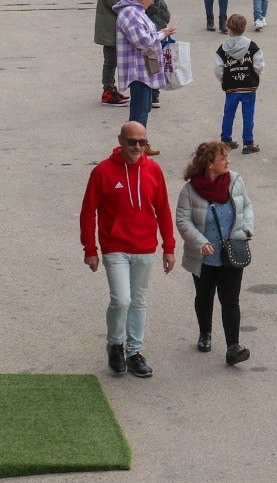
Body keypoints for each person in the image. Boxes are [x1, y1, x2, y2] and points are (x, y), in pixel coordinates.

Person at [79, 121, 176, 379]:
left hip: (145, 247)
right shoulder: (102, 171)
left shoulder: (153, 170)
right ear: (121, 140)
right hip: (115, 247)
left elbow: (163, 209)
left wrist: (169, 247)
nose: (137, 147)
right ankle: (115, 344)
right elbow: (88, 211)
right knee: (122, 299)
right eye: (132, 142)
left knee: (138, 300)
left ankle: (134, 352)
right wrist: (90, 248)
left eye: (143, 142)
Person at [175, 140, 254, 366]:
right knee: (204, 296)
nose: (228, 162)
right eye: (223, 159)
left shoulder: (235, 182)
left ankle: (233, 346)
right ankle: (205, 333)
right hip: (204, 258)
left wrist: (246, 229)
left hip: (231, 254)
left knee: (231, 300)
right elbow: (182, 220)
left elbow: (247, 206)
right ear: (210, 164)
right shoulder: (189, 191)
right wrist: (200, 242)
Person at [115, 0, 175, 131]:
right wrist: (161, 34)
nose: (152, 3)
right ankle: (135, 140)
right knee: (139, 111)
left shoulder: (137, 11)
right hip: (138, 70)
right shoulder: (130, 13)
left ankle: (140, 139)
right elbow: (142, 41)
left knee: (144, 108)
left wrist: (161, 33)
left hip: (144, 69)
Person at [214, 14, 266, 153]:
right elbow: (259, 65)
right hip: (249, 85)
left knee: (229, 113)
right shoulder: (252, 46)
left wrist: (223, 79)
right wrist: (256, 73)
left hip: (231, 86)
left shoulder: (223, 48)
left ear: (228, 28)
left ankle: (226, 139)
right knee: (248, 114)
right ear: (244, 28)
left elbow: (218, 68)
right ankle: (248, 143)